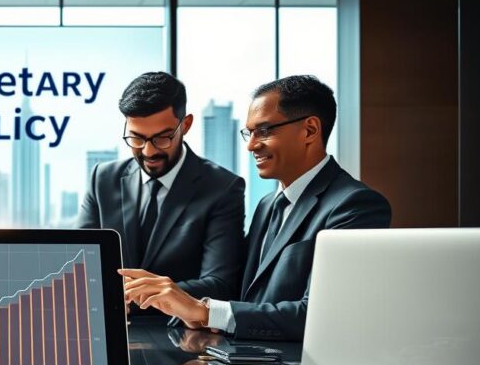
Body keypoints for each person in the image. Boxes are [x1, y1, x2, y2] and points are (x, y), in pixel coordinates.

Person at [123, 75, 392, 341]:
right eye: (249, 133)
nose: (251, 145)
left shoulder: (355, 206)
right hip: (244, 359)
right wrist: (175, 301)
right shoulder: (268, 205)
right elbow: (243, 293)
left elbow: (321, 315)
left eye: (264, 131)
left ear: (310, 130)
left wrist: (205, 312)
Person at [78, 71, 245, 314]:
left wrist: (131, 296)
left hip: (179, 331)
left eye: (162, 138)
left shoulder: (223, 188)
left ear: (185, 125)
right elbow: (82, 263)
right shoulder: (103, 178)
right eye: (136, 138)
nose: (148, 151)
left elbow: (220, 285)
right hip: (108, 325)